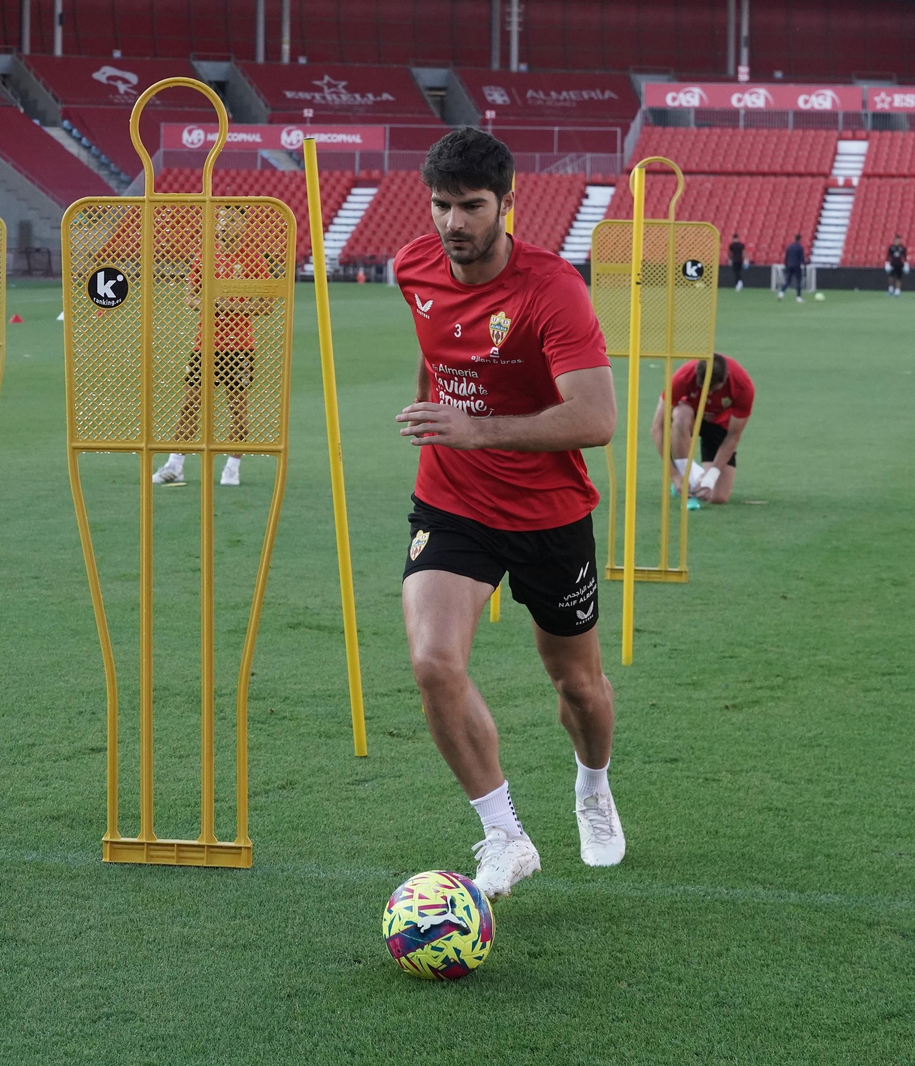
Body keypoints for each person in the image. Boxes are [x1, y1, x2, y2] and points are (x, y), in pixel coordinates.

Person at [393, 128, 622, 900]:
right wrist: (433, 409)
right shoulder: (413, 266)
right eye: (442, 205)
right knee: (433, 662)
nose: (453, 222)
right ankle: (506, 835)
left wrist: (477, 427)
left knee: (578, 686)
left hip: (548, 511)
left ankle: (593, 785)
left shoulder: (551, 289)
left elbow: (597, 418)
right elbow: (436, 344)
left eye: (471, 206)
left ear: (507, 204)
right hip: (452, 499)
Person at [151, 204, 270, 486]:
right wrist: (210, 303)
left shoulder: (254, 260)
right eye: (221, 219)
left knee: (238, 409)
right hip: (205, 345)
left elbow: (266, 306)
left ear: (243, 225)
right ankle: (175, 465)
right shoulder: (205, 256)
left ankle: (232, 468)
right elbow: (190, 298)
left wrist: (228, 307)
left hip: (240, 348)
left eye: (232, 219)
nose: (225, 224)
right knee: (189, 405)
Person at [650, 353, 753, 506]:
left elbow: (733, 436)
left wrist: (710, 477)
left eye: (713, 389)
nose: (708, 394)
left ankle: (694, 481)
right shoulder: (683, 377)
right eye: (703, 387)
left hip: (718, 424)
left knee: (717, 497)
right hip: (689, 415)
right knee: (681, 415)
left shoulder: (742, 386)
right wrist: (675, 476)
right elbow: (657, 427)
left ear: (726, 377)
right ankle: (685, 480)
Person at [778, 233, 806, 302]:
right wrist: (805, 263)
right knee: (798, 281)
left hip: (789, 265)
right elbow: (801, 258)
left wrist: (786, 265)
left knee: (788, 281)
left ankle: (781, 293)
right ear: (800, 239)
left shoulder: (789, 247)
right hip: (796, 266)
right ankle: (798, 297)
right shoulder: (800, 247)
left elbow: (786, 257)